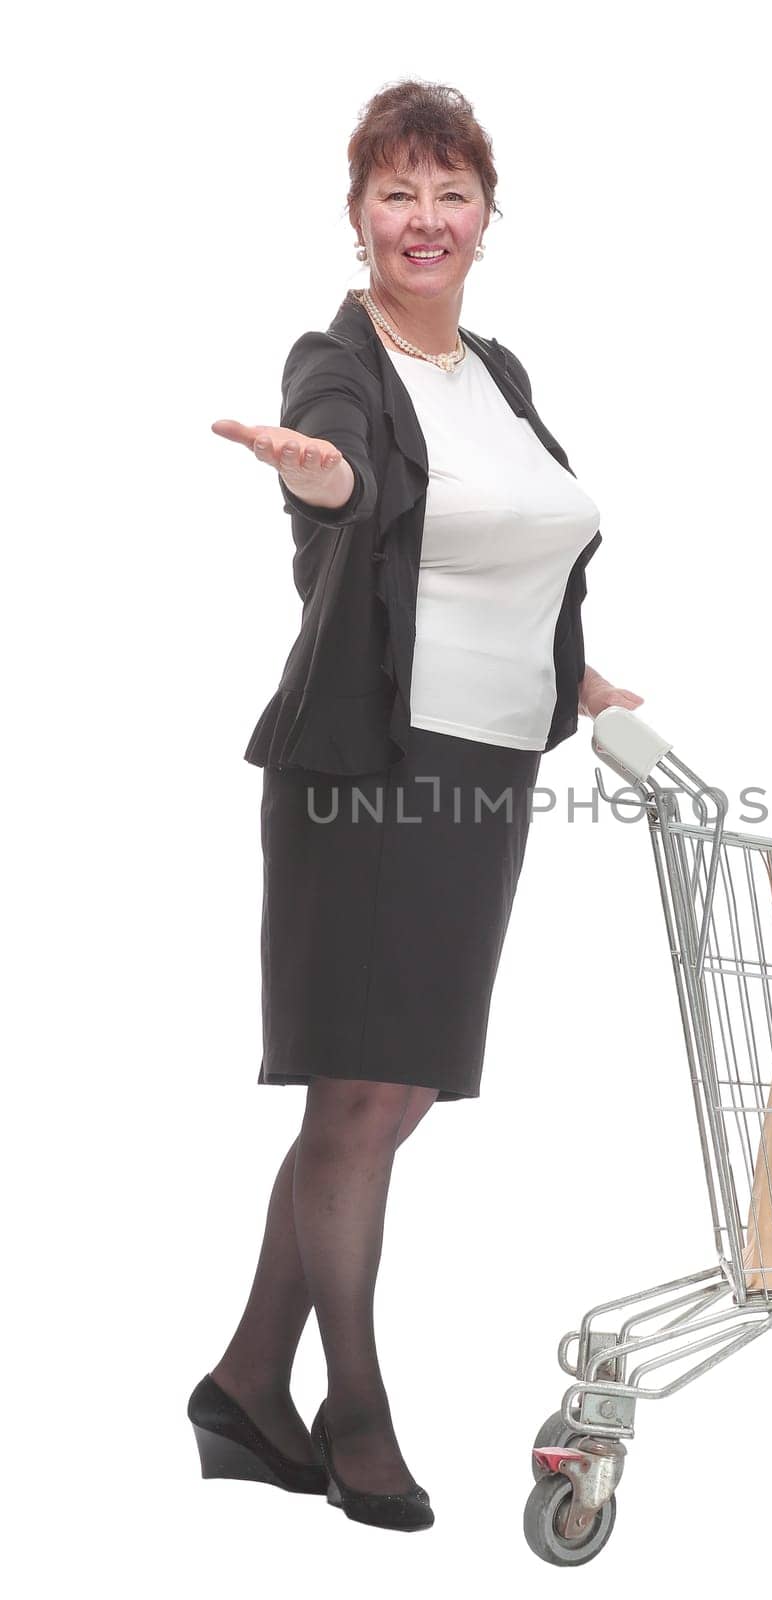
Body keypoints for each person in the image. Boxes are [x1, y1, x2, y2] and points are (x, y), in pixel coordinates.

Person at [187, 78, 643, 1533]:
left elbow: (525, 547)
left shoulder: (498, 373)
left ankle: (247, 1383)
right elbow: (352, 477)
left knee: (391, 1099)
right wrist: (321, 482)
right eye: (400, 194)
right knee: (361, 1091)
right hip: (372, 774)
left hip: (489, 773)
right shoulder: (338, 362)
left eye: (452, 194)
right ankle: (354, 1409)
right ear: (359, 216)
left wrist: (574, 681)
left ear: (488, 218)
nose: (425, 220)